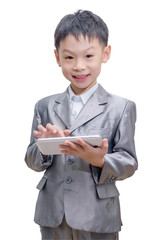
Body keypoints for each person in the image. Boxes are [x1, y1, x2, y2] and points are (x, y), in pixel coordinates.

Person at [25, 10, 138, 240]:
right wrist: (44, 148)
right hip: (53, 213)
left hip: (97, 214)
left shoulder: (121, 107)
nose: (78, 66)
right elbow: (31, 160)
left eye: (88, 56)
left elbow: (129, 163)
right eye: (69, 57)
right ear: (57, 58)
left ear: (105, 54)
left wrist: (100, 160)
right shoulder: (44, 106)